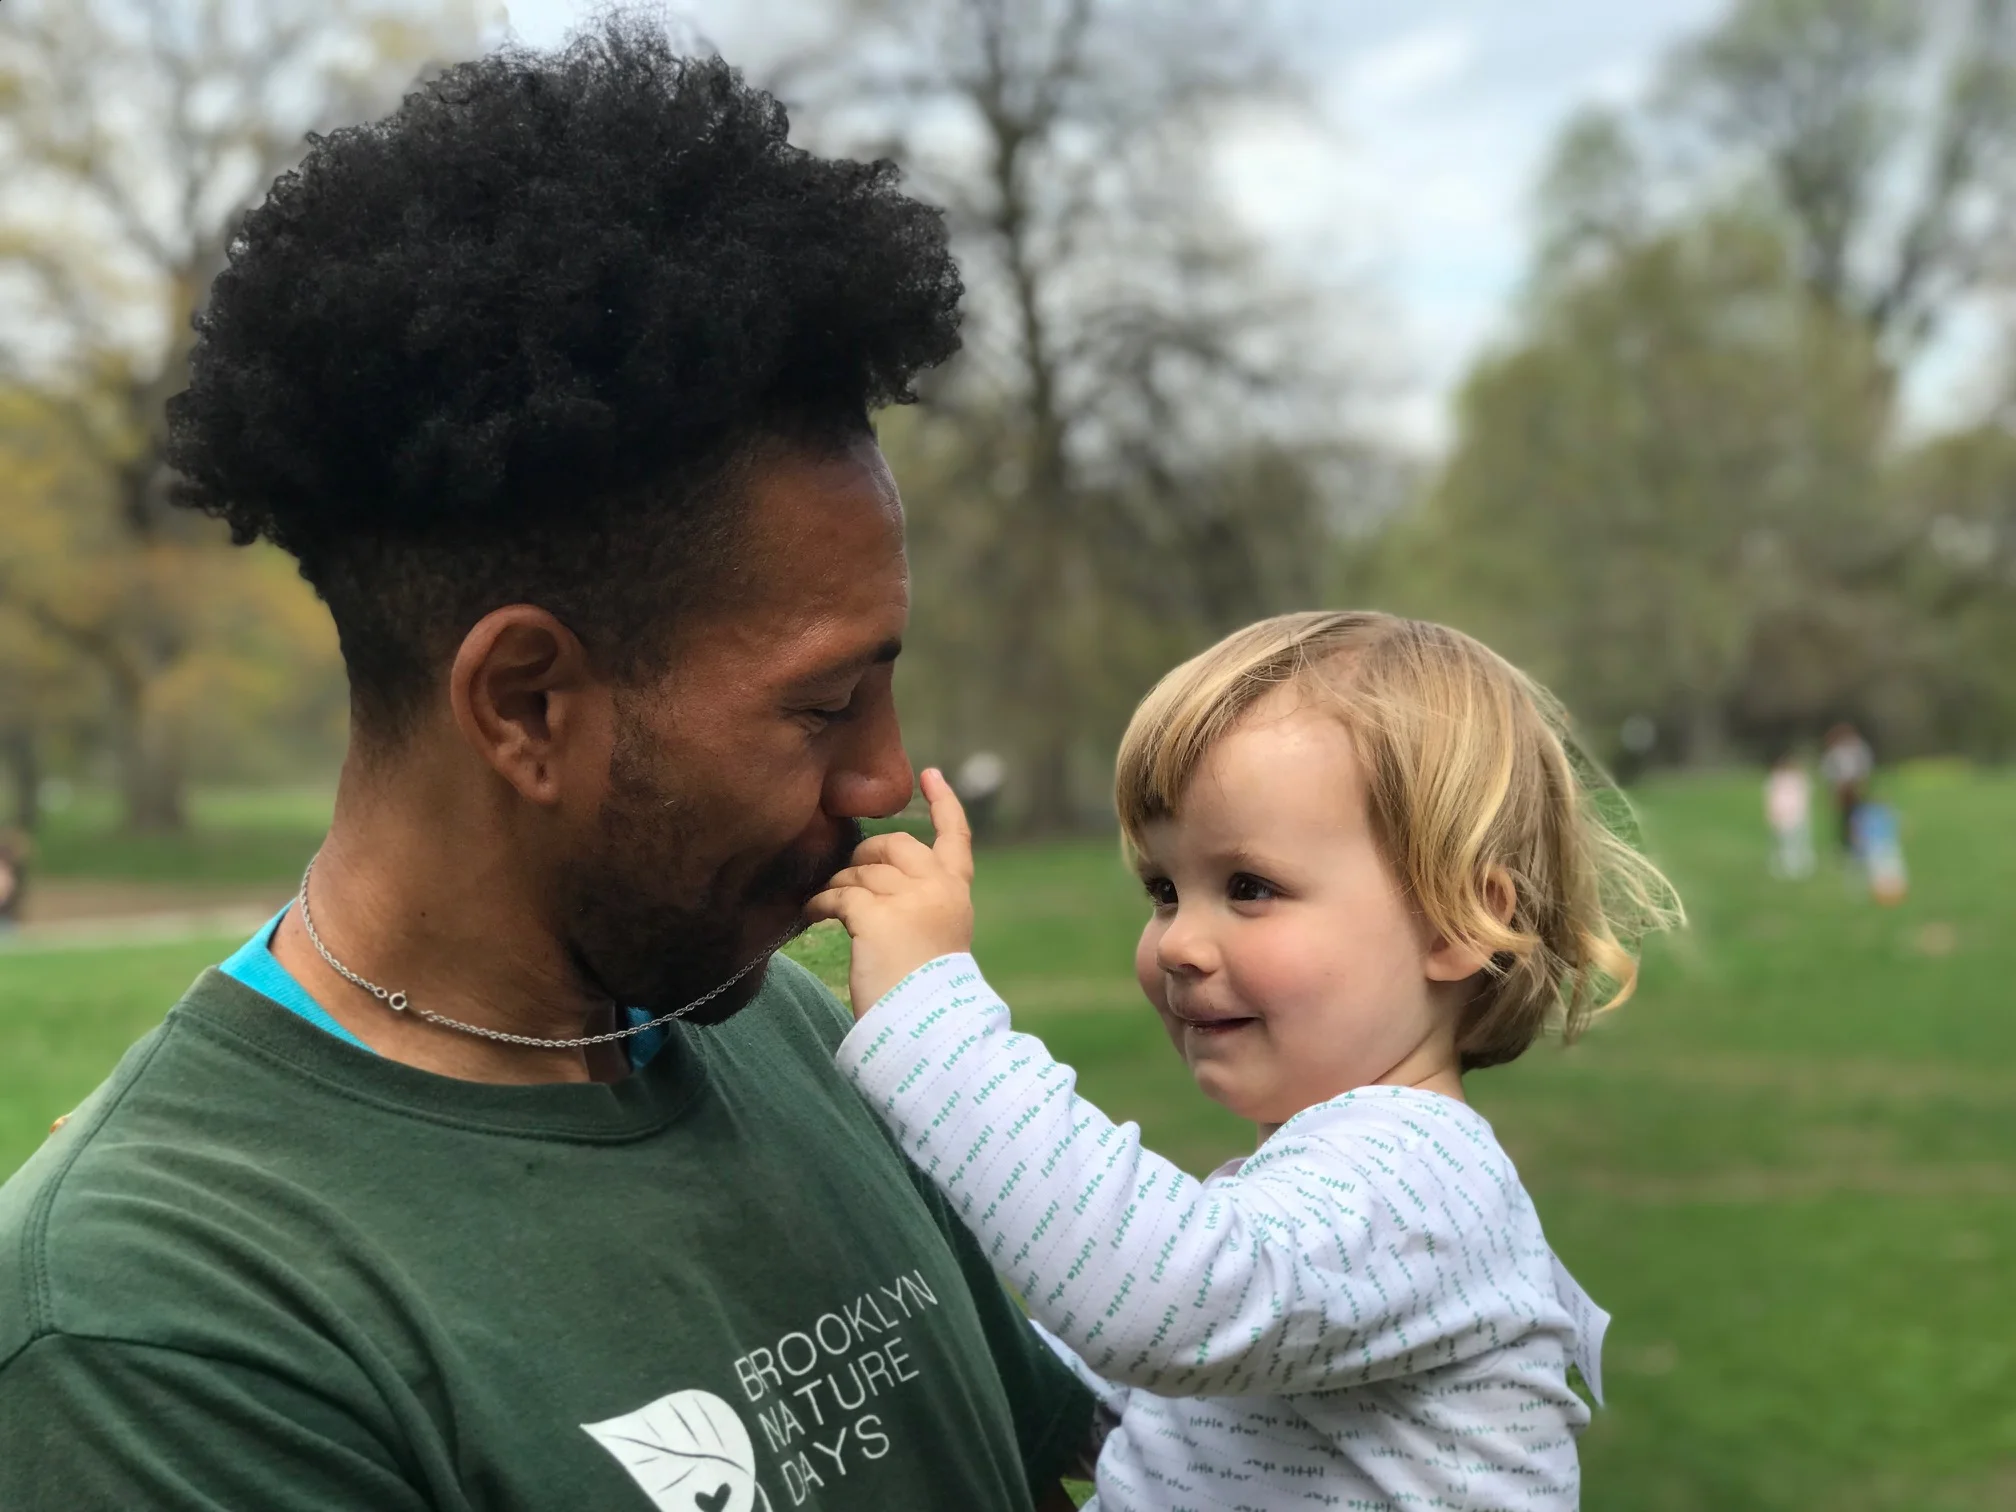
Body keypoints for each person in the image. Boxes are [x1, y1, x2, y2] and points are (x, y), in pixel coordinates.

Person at [0, 22, 1094, 1511]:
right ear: (523, 705)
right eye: (824, 706)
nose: (884, 781)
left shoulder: (800, 1035)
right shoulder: (166, 1327)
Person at [810, 612, 1684, 1511]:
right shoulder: (1332, 1190)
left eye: (1249, 888)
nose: (1181, 942)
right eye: (1163, 889)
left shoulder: (1422, 1179)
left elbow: (1160, 1310)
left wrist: (931, 1014)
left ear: (1456, 920)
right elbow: (1171, 1411)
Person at [1819, 722, 1875, 854]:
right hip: (1841, 789)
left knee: (1859, 818)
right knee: (1844, 820)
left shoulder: (1859, 748)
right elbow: (1828, 770)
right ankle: (1846, 845)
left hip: (1856, 787)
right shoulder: (1835, 751)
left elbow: (1865, 767)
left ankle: (1861, 845)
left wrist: (1861, 783)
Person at [1764, 751, 1815, 879]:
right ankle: (1787, 866)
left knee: (1799, 841)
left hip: (1797, 814)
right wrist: (1773, 813)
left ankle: (1801, 864)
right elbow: (1772, 798)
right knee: (1785, 843)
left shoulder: (1799, 779)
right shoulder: (1776, 780)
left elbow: (1804, 796)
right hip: (1783, 815)